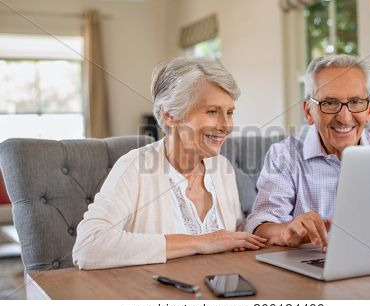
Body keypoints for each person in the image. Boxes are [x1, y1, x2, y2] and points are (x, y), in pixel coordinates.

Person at [73, 57, 266, 269]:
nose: (226, 125)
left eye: (229, 113)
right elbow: (87, 247)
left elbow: (232, 238)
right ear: (170, 115)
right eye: (212, 112)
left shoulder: (222, 168)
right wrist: (204, 242)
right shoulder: (134, 167)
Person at [245, 54, 370, 252]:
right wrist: (286, 231)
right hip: (311, 269)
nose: (344, 117)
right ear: (309, 111)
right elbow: (260, 225)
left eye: (356, 101)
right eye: (330, 103)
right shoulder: (284, 156)